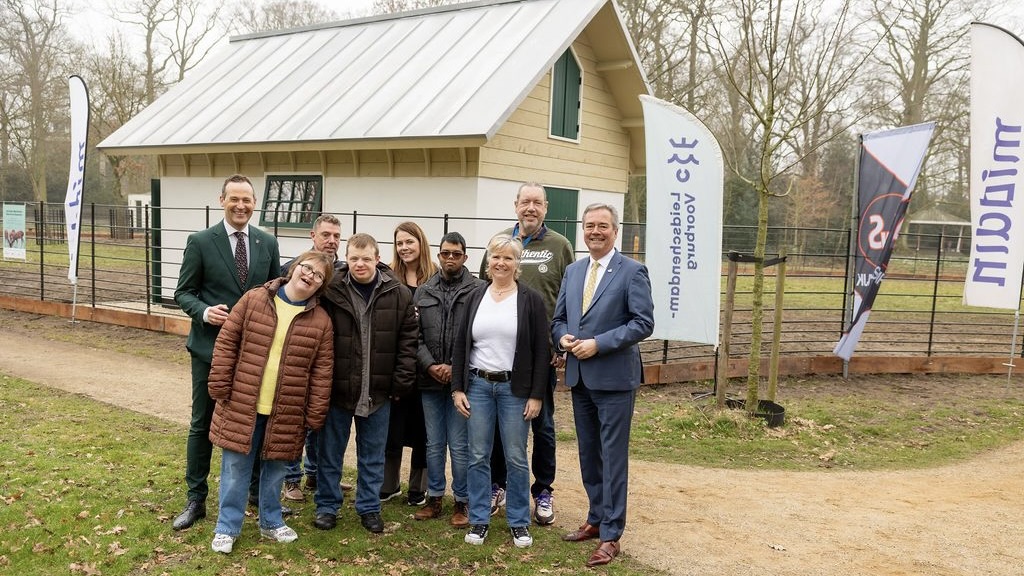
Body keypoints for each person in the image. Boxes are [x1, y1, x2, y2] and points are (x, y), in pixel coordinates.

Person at [171, 174, 281, 531]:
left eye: (247, 200)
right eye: (234, 199)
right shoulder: (201, 241)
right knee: (202, 423)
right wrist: (204, 312)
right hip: (210, 349)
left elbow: (274, 291)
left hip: (254, 353)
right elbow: (183, 292)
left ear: (254, 203)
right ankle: (196, 498)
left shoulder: (267, 242)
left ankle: (255, 493)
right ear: (222, 200)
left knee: (255, 422)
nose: (240, 206)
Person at [207, 251, 335, 554]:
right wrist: (220, 382)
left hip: (287, 410)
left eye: (318, 276)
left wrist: (315, 412)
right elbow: (227, 341)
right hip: (243, 402)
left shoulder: (321, 321)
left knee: (276, 469)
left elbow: (322, 372)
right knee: (235, 469)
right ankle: (227, 527)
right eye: (307, 268)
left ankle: (271, 522)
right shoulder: (255, 299)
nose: (310, 276)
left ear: (321, 286)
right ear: (294, 268)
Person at [552, 203, 654, 568]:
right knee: (589, 453)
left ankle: (611, 535)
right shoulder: (573, 271)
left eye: (602, 226)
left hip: (614, 379)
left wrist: (599, 343)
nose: (595, 231)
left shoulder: (632, 271)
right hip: (580, 377)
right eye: (590, 225)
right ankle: (596, 518)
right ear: (583, 229)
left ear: (615, 230)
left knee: (612, 458)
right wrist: (562, 338)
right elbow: (559, 319)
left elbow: (643, 323)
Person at [479, 182, 573, 525]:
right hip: (500, 355)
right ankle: (498, 484)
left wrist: (560, 344)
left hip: (541, 356)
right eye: (525, 202)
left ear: (546, 207)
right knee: (498, 426)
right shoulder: (499, 242)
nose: (530, 208)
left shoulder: (560, 246)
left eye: (537, 202)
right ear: (515, 205)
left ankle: (543, 490)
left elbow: (569, 298)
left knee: (542, 425)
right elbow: (482, 294)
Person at [313, 233, 418, 534]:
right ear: (347, 259)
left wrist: (400, 383)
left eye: (366, 259)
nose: (360, 264)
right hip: (338, 388)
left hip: (377, 391)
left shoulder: (398, 293)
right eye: (354, 259)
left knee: (372, 455)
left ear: (377, 258)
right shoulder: (331, 290)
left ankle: (369, 507)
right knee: (330, 453)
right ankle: (327, 506)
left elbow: (408, 341)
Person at [453, 234, 548, 548]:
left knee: (516, 456)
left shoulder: (530, 300)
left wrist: (536, 395)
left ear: (517, 263)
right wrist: (458, 388)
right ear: (488, 260)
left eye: (508, 258)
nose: (501, 263)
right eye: (496, 256)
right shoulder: (474, 297)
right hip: (478, 386)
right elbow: (460, 344)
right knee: (478, 455)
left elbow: (541, 351)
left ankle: (519, 522)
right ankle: (479, 519)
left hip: (514, 389)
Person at [412, 232, 483, 527]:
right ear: (438, 255)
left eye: (456, 253)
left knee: (459, 444)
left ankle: (462, 501)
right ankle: (435, 498)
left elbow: (480, 336)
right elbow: (413, 335)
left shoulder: (478, 290)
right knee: (433, 443)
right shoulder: (424, 290)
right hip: (429, 379)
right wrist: (430, 365)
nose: (450, 258)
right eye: (445, 253)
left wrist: (455, 368)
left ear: (465, 257)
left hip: (461, 382)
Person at [279, 214, 345, 502]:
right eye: (326, 235)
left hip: (329, 355)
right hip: (298, 354)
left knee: (321, 418)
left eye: (336, 236)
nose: (331, 241)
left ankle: (316, 474)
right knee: (294, 419)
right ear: (313, 235)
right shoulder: (293, 268)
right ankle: (291, 478)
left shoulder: (343, 271)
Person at [380, 222, 435, 506]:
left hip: (426, 365)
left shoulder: (435, 275)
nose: (404, 248)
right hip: (397, 363)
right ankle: (388, 484)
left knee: (423, 429)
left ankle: (418, 487)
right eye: (399, 243)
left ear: (420, 243)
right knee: (393, 427)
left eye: (409, 242)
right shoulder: (389, 276)